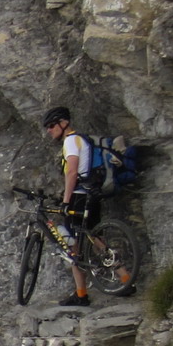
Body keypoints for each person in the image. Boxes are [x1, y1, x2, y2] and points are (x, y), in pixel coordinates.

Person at [40, 105, 123, 306]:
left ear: (63, 123)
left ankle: (81, 294)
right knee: (94, 238)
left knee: (72, 247)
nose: (49, 130)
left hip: (79, 195)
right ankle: (125, 278)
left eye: (52, 125)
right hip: (92, 193)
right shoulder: (83, 139)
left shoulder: (70, 141)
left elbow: (72, 172)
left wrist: (66, 201)